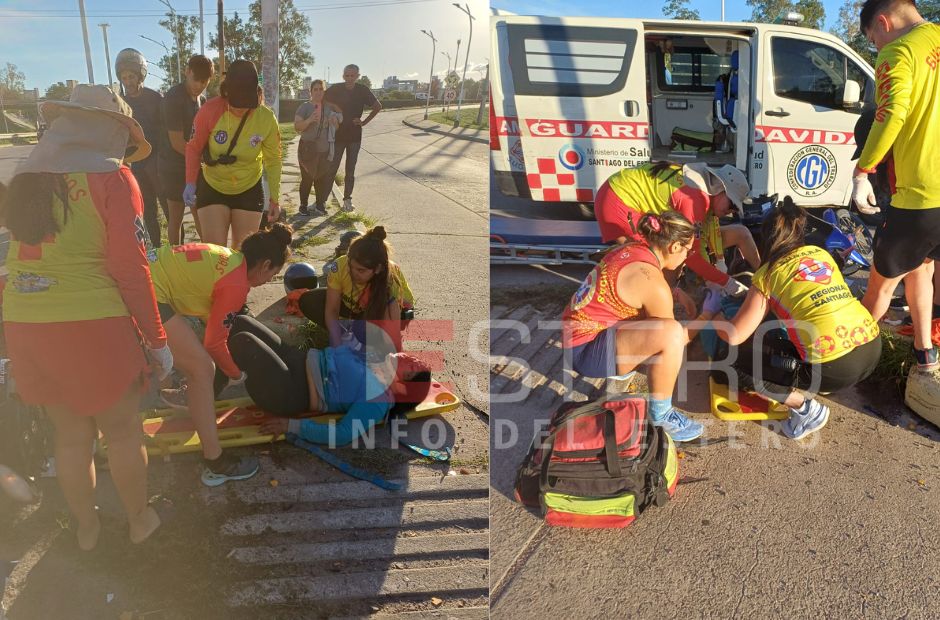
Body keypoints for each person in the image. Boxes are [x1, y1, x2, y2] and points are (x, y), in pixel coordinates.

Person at [0, 85, 173, 550]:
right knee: (121, 431)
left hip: (24, 320)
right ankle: (140, 520)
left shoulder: (27, 179)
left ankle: (87, 530)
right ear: (113, 130)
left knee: (71, 435)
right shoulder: (114, 180)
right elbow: (131, 270)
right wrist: (158, 343)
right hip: (93, 322)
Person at [713, 198, 882, 440]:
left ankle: (806, 409)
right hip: (872, 346)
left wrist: (714, 315)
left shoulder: (767, 275)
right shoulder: (820, 254)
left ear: (767, 238)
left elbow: (735, 334)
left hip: (838, 367)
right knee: (779, 336)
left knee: (729, 363)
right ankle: (817, 377)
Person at [149, 223, 293, 486]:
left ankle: (191, 397)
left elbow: (210, 319)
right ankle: (215, 462)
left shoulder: (228, 258)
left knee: (193, 363)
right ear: (265, 265)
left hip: (145, 276)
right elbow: (214, 343)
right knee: (203, 369)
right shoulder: (236, 285)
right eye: (273, 274)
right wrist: (236, 373)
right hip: (147, 292)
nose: (269, 281)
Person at [562, 211, 717, 442]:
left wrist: (674, 292)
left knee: (659, 329)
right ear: (674, 247)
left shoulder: (634, 249)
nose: (687, 256)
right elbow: (675, 341)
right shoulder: (654, 285)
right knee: (671, 334)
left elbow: (633, 288)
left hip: (574, 335)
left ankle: (627, 375)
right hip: (584, 352)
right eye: (688, 250)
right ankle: (661, 415)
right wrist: (707, 315)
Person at [853, 0, 940, 371]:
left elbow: (890, 115)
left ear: (884, 22)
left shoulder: (898, 52)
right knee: (922, 268)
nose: (877, 49)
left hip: (919, 195)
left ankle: (842, 361)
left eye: (874, 40)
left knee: (880, 287)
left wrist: (862, 172)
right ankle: (926, 357)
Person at [226, 314, 431, 446]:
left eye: (411, 366)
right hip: (296, 359)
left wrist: (292, 426)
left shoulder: (377, 400)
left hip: (287, 389)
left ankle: (206, 378)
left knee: (244, 342)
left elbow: (342, 434)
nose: (408, 357)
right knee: (240, 322)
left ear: (401, 385)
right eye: (414, 358)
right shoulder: (376, 361)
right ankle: (206, 370)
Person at [594, 161, 757, 296]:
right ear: (720, 190)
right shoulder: (695, 200)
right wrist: (726, 282)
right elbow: (692, 255)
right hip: (618, 201)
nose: (731, 212)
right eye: (732, 205)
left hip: (621, 191)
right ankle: (659, 305)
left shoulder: (704, 190)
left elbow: (696, 245)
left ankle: (764, 278)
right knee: (655, 262)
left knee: (676, 253)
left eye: (735, 210)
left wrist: (718, 272)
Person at [184, 59, 281, 249]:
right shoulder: (209, 110)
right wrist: (190, 182)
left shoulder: (266, 118)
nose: (241, 108)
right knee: (215, 253)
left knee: (242, 255)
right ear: (226, 92)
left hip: (249, 187)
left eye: (247, 102)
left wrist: (275, 199)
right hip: (213, 186)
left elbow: (274, 160)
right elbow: (193, 148)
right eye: (236, 103)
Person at [299, 226, 414, 353]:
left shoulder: (390, 277)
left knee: (377, 345)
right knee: (309, 301)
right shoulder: (340, 266)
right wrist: (337, 345)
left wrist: (391, 350)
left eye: (361, 270)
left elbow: (392, 324)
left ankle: (360, 336)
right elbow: (332, 309)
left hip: (394, 312)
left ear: (377, 269)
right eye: (351, 266)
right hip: (356, 308)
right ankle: (350, 333)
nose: (353, 273)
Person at [159, 54, 214, 245]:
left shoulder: (203, 101)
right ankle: (175, 260)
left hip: (195, 166)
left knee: (200, 215)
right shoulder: (173, 98)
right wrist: (200, 159)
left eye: (204, 82)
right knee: (176, 219)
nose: (199, 85)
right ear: (187, 72)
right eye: (196, 80)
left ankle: (208, 255)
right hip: (173, 166)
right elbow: (176, 142)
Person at [116, 48, 166, 247]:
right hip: (135, 163)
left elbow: (166, 131)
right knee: (147, 211)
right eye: (124, 77)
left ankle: (175, 249)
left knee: (169, 207)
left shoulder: (155, 99)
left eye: (131, 76)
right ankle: (156, 248)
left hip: (157, 161)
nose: (128, 81)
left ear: (140, 76)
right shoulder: (120, 103)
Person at [325, 64, 382, 212]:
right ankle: (323, 200)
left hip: (355, 137)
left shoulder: (363, 90)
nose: (349, 78)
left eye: (353, 75)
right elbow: (322, 100)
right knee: (332, 168)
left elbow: (377, 106)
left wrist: (364, 122)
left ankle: (347, 200)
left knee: (350, 170)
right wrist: (334, 110)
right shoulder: (336, 88)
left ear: (357, 76)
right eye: (347, 75)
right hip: (338, 135)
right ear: (343, 76)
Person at [295, 79, 343, 216]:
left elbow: (336, 127)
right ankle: (303, 205)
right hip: (307, 149)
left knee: (321, 178)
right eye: (315, 89)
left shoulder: (328, 108)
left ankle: (319, 205)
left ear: (324, 91)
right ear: (311, 92)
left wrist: (334, 122)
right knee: (307, 178)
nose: (318, 92)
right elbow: (297, 126)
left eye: (320, 89)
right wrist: (309, 120)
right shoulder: (304, 107)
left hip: (324, 149)